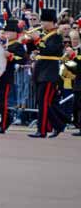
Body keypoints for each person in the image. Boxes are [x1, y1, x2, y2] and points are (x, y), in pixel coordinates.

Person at [24, 8, 67, 138]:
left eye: (45, 21)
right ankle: (59, 124)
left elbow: (50, 50)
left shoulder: (57, 36)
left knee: (44, 101)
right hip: (41, 71)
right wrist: (30, 42)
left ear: (52, 22)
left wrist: (37, 40)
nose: (42, 23)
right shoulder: (44, 35)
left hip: (49, 72)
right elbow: (37, 50)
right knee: (48, 102)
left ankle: (42, 129)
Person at [0, 19, 26, 133]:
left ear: (16, 33)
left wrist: (10, 56)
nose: (8, 34)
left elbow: (22, 59)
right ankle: (4, 117)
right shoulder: (2, 44)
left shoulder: (17, 45)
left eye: (11, 32)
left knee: (2, 101)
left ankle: (4, 123)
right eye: (6, 32)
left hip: (7, 76)